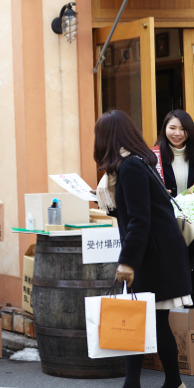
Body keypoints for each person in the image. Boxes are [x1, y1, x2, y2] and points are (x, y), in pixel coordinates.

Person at [94, 110, 192, 388]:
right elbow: (136, 213)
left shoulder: (131, 167)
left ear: (108, 137)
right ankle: (154, 383)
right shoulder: (137, 163)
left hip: (154, 257)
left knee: (147, 320)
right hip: (157, 253)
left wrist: (126, 262)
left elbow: (139, 220)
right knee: (143, 320)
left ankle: (156, 383)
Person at [153, 109, 194, 196]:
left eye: (183, 129)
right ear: (164, 129)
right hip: (164, 208)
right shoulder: (153, 155)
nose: (177, 133)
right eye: (172, 128)